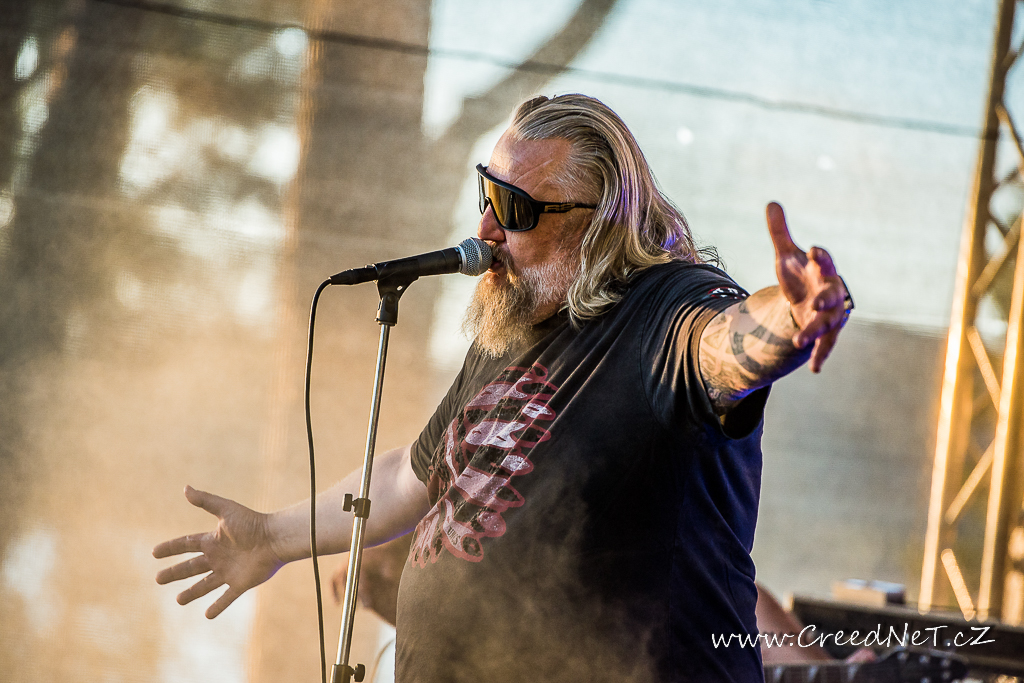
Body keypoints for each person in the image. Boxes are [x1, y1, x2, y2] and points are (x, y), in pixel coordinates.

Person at [154, 94, 852, 682]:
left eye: (515, 208)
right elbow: (410, 475)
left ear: (598, 222)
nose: (486, 227)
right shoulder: (515, 324)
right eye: (487, 192)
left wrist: (792, 320)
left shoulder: (667, 307)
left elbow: (724, 346)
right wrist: (271, 536)